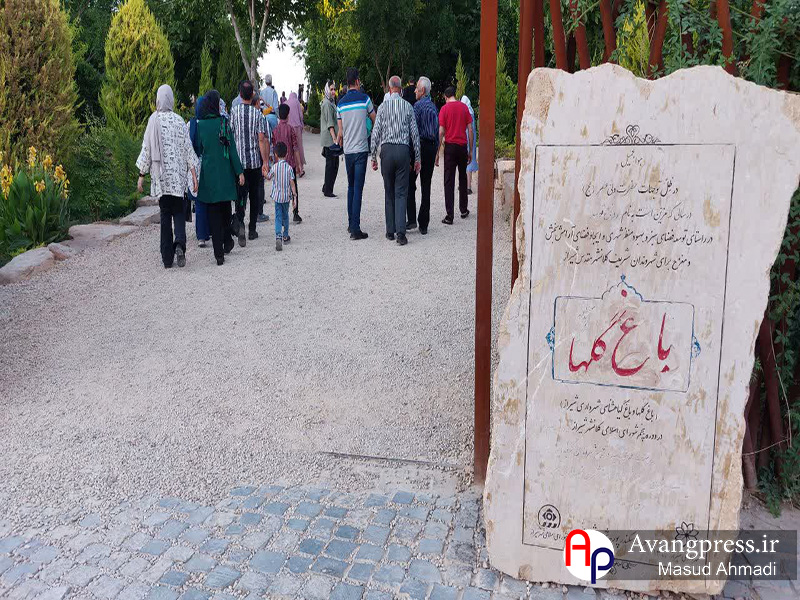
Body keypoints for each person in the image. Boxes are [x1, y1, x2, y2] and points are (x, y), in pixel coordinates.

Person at [136, 84, 198, 269]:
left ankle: (167, 257)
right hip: (178, 179)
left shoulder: (153, 120)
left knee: (165, 215)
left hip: (162, 179)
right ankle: (179, 245)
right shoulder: (179, 121)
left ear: (158, 99)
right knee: (178, 212)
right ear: (171, 99)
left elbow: (146, 149)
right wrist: (194, 175)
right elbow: (188, 149)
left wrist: (141, 175)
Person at [194, 89, 245, 266]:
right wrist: (239, 172)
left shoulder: (200, 125)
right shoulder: (224, 123)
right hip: (225, 173)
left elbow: (199, 148)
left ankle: (218, 254)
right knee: (225, 210)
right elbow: (232, 150)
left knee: (213, 214)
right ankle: (228, 240)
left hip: (209, 174)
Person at [370, 75, 420, 246]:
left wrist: (373, 156)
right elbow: (415, 134)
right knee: (401, 192)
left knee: (389, 191)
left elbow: (376, 133)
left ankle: (390, 231)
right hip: (403, 151)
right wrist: (417, 158)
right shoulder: (408, 107)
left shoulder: (382, 107)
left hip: (387, 151)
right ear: (400, 88)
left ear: (390, 89)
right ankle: (401, 234)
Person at [336, 67, 375, 240]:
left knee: (351, 187)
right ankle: (355, 229)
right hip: (361, 149)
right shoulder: (365, 99)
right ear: (357, 81)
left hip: (348, 151)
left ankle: (350, 223)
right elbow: (375, 118)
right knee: (358, 188)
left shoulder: (340, 104)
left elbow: (341, 131)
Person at [230, 80, 270, 242]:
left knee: (240, 196)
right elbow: (262, 139)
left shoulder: (234, 112)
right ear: (252, 94)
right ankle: (252, 229)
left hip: (239, 165)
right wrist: (265, 162)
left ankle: (240, 223)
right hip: (254, 163)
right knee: (254, 196)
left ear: (240, 94)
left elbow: (231, 135)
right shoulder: (258, 114)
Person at [436, 85, 473, 224]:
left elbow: (441, 131)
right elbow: (470, 129)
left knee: (449, 180)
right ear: (454, 95)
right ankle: (463, 209)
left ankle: (449, 215)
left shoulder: (444, 109)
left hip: (450, 147)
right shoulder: (464, 107)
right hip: (462, 146)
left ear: (446, 97)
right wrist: (470, 150)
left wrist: (437, 151)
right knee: (462, 178)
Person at [409, 76, 438, 235]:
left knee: (410, 182)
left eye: (417, 89)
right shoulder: (434, 108)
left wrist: (411, 152)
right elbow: (437, 132)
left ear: (423, 91)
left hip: (419, 147)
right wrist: (436, 151)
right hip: (431, 147)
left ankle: (411, 218)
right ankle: (424, 224)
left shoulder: (417, 107)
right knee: (426, 185)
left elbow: (413, 131)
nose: (415, 91)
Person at [272, 103, 305, 224]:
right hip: (290, 164)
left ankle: (281, 215)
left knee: (280, 189)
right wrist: (299, 164)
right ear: (288, 115)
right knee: (293, 188)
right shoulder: (291, 129)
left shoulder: (275, 130)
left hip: (278, 165)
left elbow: (273, 148)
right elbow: (295, 148)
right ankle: (295, 213)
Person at [267, 141, 297, 251]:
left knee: (278, 216)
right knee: (286, 216)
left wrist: (265, 173)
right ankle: (286, 235)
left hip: (277, 197)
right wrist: (294, 196)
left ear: (275, 154)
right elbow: (292, 183)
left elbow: (268, 177)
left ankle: (278, 235)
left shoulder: (274, 167)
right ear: (287, 153)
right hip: (286, 197)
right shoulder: (289, 168)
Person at [188, 95, 210, 247]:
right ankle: (209, 230)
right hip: (207, 164)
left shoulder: (190, 124)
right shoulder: (209, 123)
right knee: (209, 199)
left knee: (199, 201)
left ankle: (201, 235)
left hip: (194, 166)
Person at [320, 80, 340, 198]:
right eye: (331, 89)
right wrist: (335, 139)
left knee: (333, 164)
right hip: (330, 139)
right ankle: (328, 190)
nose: (333, 91)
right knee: (331, 165)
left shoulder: (331, 102)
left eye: (334, 89)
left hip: (331, 138)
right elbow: (330, 123)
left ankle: (326, 187)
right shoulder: (327, 103)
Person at [462, 95, 478, 194]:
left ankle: (466, 186)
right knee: (470, 162)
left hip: (465, 139)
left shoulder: (465, 113)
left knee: (464, 163)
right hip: (471, 139)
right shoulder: (471, 112)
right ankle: (468, 186)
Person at [286, 91, 306, 168]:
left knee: (289, 146)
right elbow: (301, 116)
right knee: (298, 146)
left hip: (288, 127)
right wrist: (302, 124)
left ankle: (291, 165)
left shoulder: (286, 103)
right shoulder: (297, 102)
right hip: (297, 127)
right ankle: (299, 165)